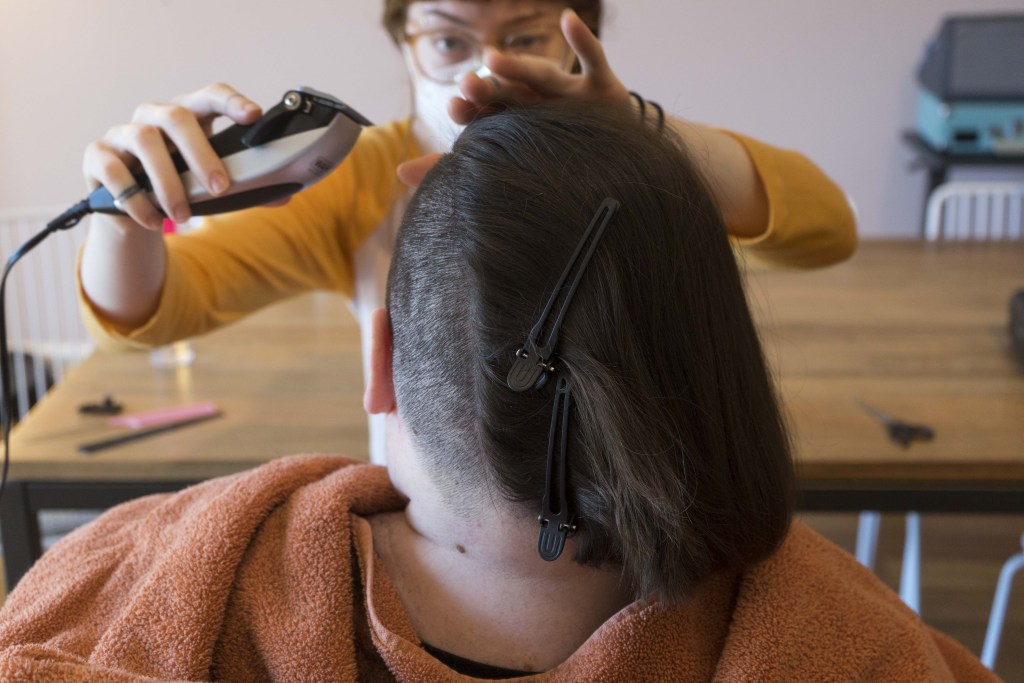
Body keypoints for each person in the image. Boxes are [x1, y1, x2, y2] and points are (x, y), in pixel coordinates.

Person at [0, 103, 993, 681]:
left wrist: (121, 208)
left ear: (378, 364)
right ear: (715, 369)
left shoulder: (120, 601)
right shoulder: (856, 647)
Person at [76, 0, 857, 465]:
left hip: (645, 521)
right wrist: (123, 206)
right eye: (449, 39)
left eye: (525, 36)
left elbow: (823, 228)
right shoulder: (357, 178)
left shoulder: (637, 162)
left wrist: (637, 133)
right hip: (440, 523)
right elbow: (156, 308)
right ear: (403, 39)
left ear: (580, 32)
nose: (484, 67)